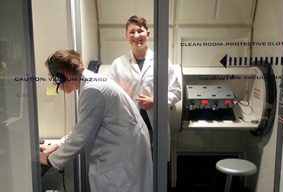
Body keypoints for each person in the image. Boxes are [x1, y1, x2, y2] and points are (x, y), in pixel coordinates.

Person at [39, 49, 153, 192]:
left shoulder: (92, 90)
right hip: (123, 151)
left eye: (54, 79)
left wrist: (49, 159)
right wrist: (56, 146)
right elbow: (84, 127)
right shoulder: (92, 83)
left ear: (62, 75)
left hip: (121, 161)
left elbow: (80, 137)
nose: (56, 85)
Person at [108, 15, 182, 145]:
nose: (136, 35)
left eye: (140, 31)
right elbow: (108, 95)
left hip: (155, 124)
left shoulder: (162, 62)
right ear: (126, 36)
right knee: (133, 162)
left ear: (147, 34)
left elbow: (176, 92)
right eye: (132, 32)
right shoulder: (118, 64)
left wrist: (155, 101)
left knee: (156, 162)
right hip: (128, 125)